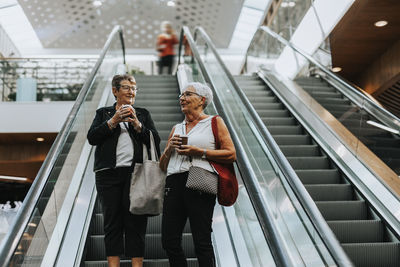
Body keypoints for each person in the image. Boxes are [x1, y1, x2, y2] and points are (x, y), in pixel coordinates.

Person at [159, 82, 236, 267]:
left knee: (201, 241)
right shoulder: (176, 128)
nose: (182, 98)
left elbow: (231, 154)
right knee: (169, 240)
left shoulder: (214, 122)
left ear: (202, 100)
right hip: (173, 184)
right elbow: (162, 166)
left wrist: (199, 152)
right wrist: (169, 149)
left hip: (200, 181)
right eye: (181, 95)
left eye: (187, 94)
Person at [87, 74, 160, 267]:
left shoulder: (142, 113)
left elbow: (155, 141)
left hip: (135, 174)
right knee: (112, 221)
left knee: (136, 221)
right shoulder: (103, 113)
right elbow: (92, 138)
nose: (132, 91)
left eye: (134, 88)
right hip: (107, 174)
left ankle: (137, 264)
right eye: (127, 87)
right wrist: (113, 120)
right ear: (115, 91)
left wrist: (137, 124)